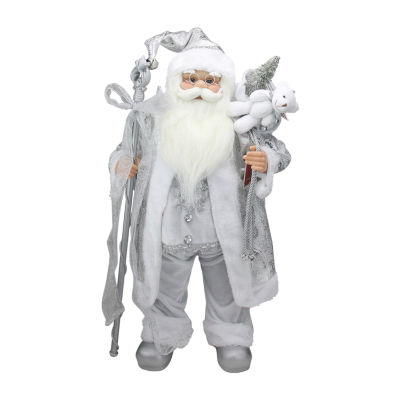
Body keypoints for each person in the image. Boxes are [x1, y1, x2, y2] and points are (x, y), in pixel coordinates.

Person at [103, 28, 291, 373]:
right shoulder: (152, 119)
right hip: (168, 230)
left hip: (222, 232)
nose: (200, 87)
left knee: (227, 288)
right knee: (164, 287)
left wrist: (266, 159)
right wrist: (123, 162)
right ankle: (161, 333)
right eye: (191, 79)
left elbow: (276, 149)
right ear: (176, 82)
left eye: (211, 81)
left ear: (224, 86)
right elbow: (126, 147)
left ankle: (231, 335)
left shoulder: (238, 122)